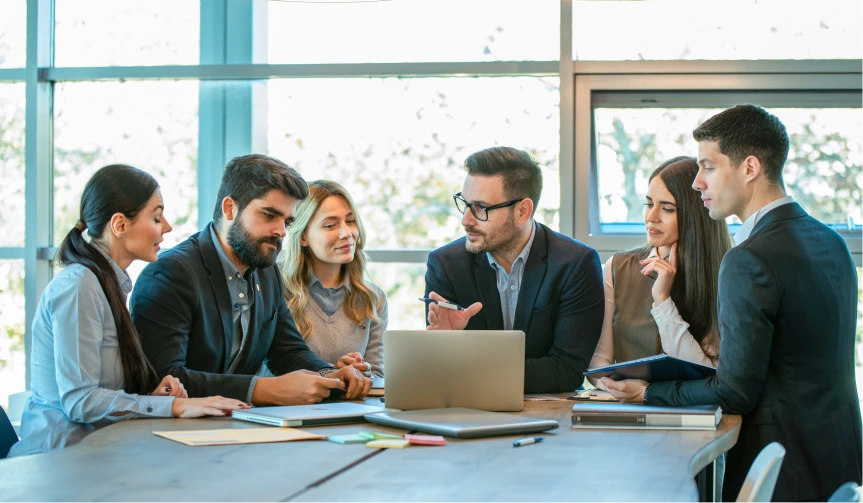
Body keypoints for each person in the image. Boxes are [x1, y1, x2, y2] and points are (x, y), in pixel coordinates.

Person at [602, 105, 863, 502]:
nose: (697, 183)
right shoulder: (832, 243)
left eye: (707, 167)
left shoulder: (749, 259)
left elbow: (734, 392)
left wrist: (646, 394)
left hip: (779, 470)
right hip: (837, 459)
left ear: (749, 167)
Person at [10, 165, 248, 457]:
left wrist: (154, 398)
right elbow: (80, 401)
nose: (167, 227)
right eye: (157, 216)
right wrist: (170, 406)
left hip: (99, 455)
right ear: (120, 225)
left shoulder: (106, 284)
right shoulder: (79, 285)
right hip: (61, 461)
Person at [130, 155, 371, 405]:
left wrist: (330, 374)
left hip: (238, 426)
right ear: (229, 208)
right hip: (176, 433)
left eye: (287, 221)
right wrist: (264, 390)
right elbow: (163, 379)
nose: (281, 231)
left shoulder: (266, 271)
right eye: (269, 216)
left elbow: (288, 351)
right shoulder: (170, 273)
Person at [425, 146, 604, 393]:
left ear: (522, 211)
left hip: (550, 413)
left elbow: (567, 369)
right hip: (469, 409)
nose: (466, 220)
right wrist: (443, 346)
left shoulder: (575, 263)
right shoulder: (445, 265)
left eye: (481, 208)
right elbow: (439, 368)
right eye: (465, 204)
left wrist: (465, 364)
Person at [589, 156, 733, 387]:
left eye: (666, 208)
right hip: (627, 410)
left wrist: (663, 300)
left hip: (696, 411)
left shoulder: (724, 272)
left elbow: (708, 372)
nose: (651, 217)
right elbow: (599, 362)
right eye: (649, 204)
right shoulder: (618, 267)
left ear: (695, 216)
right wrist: (616, 387)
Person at [279, 180, 387, 378]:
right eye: (330, 225)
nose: (347, 234)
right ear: (303, 236)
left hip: (351, 407)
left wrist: (362, 372)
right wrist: (332, 373)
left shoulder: (373, 298)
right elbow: (265, 372)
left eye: (351, 221)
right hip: (289, 408)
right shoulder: (276, 291)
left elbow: (378, 376)